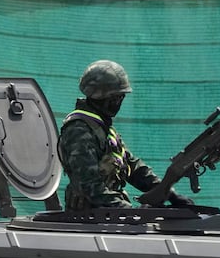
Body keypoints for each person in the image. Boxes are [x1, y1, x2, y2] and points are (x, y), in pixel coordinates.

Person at [58, 60, 161, 211]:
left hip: (108, 217)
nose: (119, 103)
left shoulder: (105, 130)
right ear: (99, 97)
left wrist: (164, 190)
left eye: (121, 98)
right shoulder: (78, 130)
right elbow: (90, 186)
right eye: (115, 98)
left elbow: (132, 166)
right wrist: (129, 211)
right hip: (86, 222)